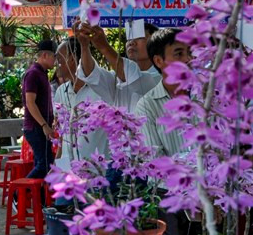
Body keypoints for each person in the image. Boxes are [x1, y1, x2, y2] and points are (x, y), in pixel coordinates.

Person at [54, 34, 113, 170]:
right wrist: (57, 162)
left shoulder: (101, 89)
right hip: (68, 169)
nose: (55, 64)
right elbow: (63, 133)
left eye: (59, 58)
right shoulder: (61, 92)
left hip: (97, 170)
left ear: (72, 58)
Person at [77, 19, 162, 110]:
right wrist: (84, 46)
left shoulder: (161, 77)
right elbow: (91, 75)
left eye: (140, 37)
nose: (131, 42)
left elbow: (134, 77)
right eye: (129, 39)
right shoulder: (117, 77)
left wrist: (104, 47)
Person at [133, 27, 192, 157]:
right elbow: (154, 162)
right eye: (179, 54)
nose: (188, 59)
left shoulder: (207, 96)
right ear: (159, 61)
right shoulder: (147, 105)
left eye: (189, 52)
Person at [23, 39, 57, 180]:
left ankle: (37, 200)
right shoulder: (33, 73)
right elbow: (30, 103)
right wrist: (44, 125)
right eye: (54, 57)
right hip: (35, 127)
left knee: (42, 163)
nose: (56, 61)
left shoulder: (42, 73)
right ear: (44, 55)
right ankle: (18, 195)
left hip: (42, 126)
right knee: (45, 164)